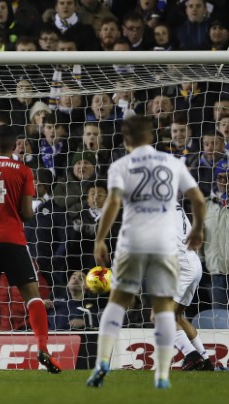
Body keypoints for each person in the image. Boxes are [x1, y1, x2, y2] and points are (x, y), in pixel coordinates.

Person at [87, 115, 206, 389]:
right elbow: (198, 198)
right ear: (151, 136)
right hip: (164, 245)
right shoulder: (173, 163)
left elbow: (113, 203)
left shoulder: (120, 165)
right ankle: (162, 375)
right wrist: (198, 229)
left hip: (133, 241)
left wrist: (100, 239)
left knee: (117, 302)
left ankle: (102, 363)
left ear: (125, 140)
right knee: (165, 310)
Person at [0, 124, 62, 374]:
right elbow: (28, 213)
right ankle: (42, 347)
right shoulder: (24, 170)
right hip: (13, 240)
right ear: (15, 145)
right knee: (33, 295)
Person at [172, 204, 214, 371]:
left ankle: (191, 355)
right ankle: (206, 360)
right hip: (193, 263)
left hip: (182, 266)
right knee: (177, 316)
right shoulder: (173, 204)